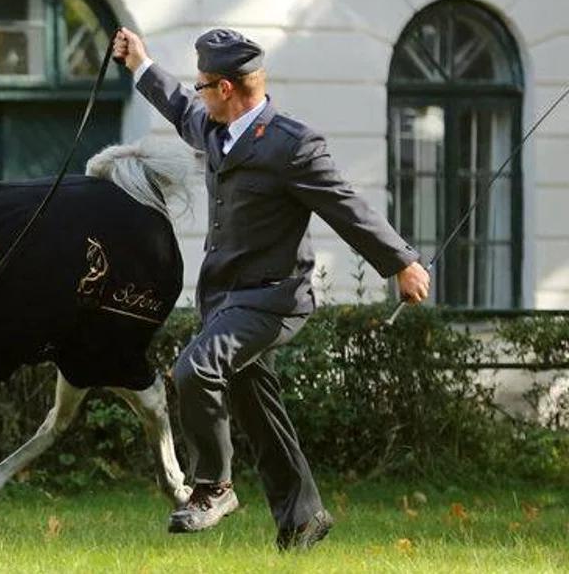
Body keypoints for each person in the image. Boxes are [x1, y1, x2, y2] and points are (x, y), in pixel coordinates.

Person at [112, 27, 431, 551]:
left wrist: (401, 262)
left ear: (227, 89)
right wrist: (141, 64)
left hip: (273, 299)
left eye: (202, 86)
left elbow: (346, 207)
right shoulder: (215, 131)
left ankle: (213, 486)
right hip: (225, 302)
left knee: (196, 368)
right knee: (259, 409)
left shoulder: (292, 145)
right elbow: (176, 106)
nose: (196, 94)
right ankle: (303, 519)